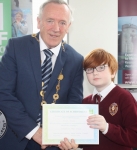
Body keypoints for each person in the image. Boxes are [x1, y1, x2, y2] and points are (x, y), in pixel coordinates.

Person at [0, 0, 83, 150]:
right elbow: (3, 93)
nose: (56, 28)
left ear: (69, 27)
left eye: (63, 22)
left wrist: (72, 136)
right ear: (38, 22)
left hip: (55, 144)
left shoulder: (76, 60)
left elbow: (74, 104)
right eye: (50, 21)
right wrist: (34, 131)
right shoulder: (16, 47)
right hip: (16, 140)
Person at [58, 48, 137, 150]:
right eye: (90, 69)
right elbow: (87, 137)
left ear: (113, 72)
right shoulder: (85, 102)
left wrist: (107, 127)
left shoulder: (124, 97)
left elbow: (136, 138)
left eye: (101, 68)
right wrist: (75, 143)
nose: (95, 73)